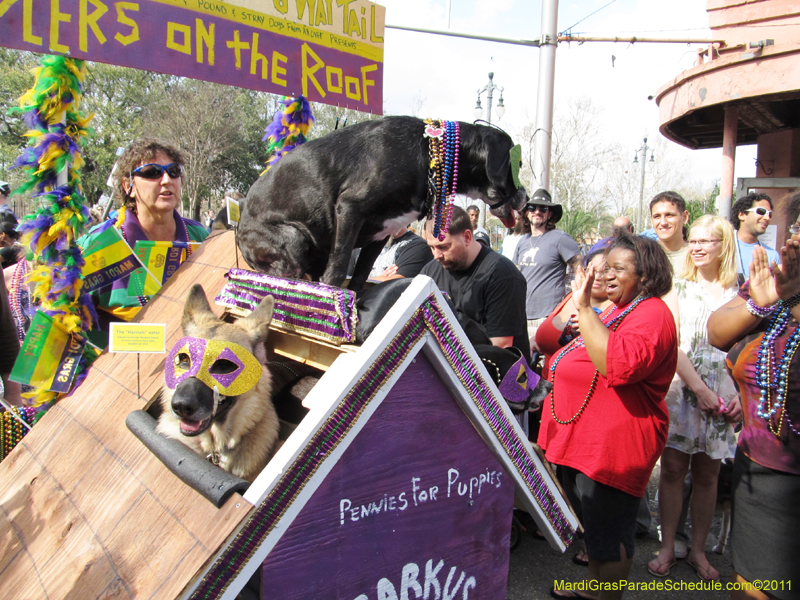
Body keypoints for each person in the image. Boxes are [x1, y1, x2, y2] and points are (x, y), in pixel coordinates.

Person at [540, 233, 677, 600]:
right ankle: (594, 590)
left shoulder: (652, 313)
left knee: (610, 533)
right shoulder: (619, 308)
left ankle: (606, 596)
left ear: (646, 275)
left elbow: (616, 364)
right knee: (595, 530)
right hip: (585, 443)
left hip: (614, 448)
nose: (607, 275)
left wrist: (584, 309)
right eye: (604, 268)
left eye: (619, 268)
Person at [707, 192, 800, 600]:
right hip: (758, 471)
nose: (794, 240)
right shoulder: (777, 285)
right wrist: (771, 298)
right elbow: (717, 332)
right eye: (796, 228)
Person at [648, 215, 742, 582]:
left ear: (725, 246)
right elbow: (672, 343)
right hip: (683, 390)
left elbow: (748, 348)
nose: (699, 246)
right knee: (672, 471)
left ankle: (699, 551)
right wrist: (699, 389)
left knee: (709, 475)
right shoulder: (677, 287)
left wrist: (737, 393)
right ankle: (668, 546)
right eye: (696, 240)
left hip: (726, 394)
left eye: (708, 241)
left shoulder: (742, 292)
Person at [77, 139, 208, 331]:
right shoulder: (99, 243)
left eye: (174, 171)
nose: (166, 180)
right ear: (127, 185)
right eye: (152, 172)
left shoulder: (202, 237)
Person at [420, 206, 528, 358]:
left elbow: (500, 346)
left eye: (443, 247)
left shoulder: (502, 274)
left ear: (467, 237)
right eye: (431, 247)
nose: (437, 255)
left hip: (492, 372)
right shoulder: (430, 272)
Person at [513, 189, 581, 348]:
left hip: (548, 316)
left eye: (543, 209)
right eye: (532, 208)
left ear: (550, 214)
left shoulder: (560, 238)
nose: (537, 211)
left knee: (545, 365)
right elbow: (515, 276)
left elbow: (581, 271)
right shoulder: (522, 242)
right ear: (527, 213)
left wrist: (570, 302)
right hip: (522, 315)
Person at [730, 192, 780, 283]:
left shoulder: (772, 255)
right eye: (761, 211)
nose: (767, 218)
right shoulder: (722, 246)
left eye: (770, 214)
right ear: (742, 214)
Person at [650, 191, 689, 272]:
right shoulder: (644, 257)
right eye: (657, 216)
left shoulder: (697, 256)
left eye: (669, 215)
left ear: (684, 217)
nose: (663, 222)